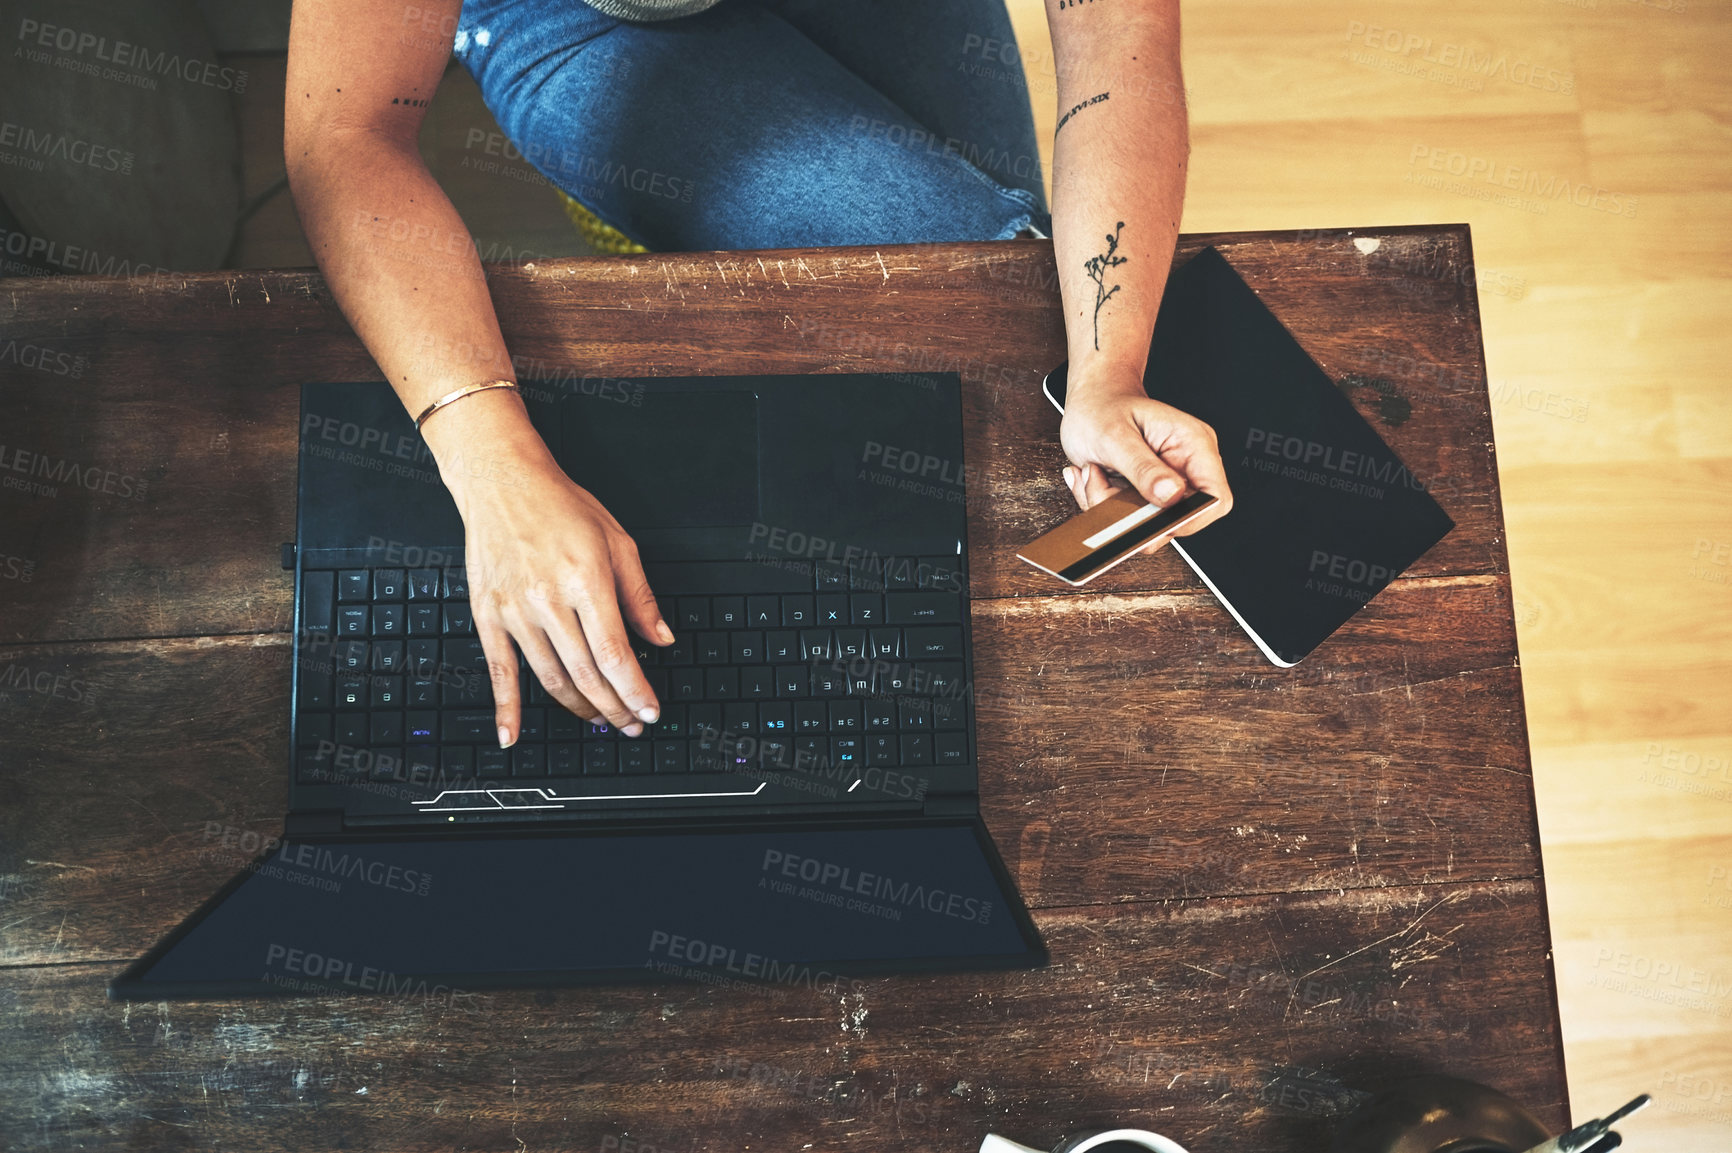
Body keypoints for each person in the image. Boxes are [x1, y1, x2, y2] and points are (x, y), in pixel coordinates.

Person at [283, 0, 1233, 752]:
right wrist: (487, 460)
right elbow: (347, 133)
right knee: (972, 278)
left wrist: (1108, 369)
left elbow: (1119, 38)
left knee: (1002, 294)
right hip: (580, 12)